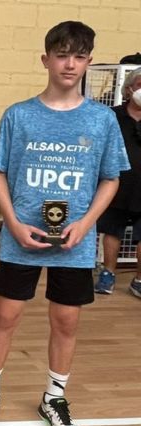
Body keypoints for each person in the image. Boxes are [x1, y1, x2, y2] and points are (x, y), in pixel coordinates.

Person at [0, 21, 129, 426]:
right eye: (61, 54)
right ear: (46, 60)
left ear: (89, 62)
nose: (69, 63)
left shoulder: (101, 120)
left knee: (66, 320)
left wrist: (86, 223)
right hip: (22, 238)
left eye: (79, 56)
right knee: (5, 316)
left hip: (75, 243)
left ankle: (54, 397)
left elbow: (111, 178)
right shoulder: (19, 115)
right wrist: (13, 222)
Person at [94, 68, 141, 296]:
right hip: (116, 184)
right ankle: (108, 274)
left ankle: (139, 279)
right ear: (129, 88)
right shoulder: (111, 115)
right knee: (112, 231)